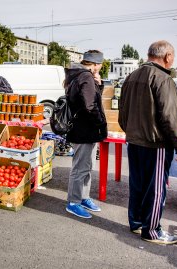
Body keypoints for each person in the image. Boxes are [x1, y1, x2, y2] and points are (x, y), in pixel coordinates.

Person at [119, 40, 177, 245]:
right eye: (173, 57)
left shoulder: (131, 77)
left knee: (138, 184)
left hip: (135, 141)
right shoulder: (163, 79)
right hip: (155, 143)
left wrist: (132, 132)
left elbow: (123, 114)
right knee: (156, 188)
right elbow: (170, 117)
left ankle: (138, 222)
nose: (173, 61)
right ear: (167, 57)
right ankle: (152, 231)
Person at [65, 50, 107, 219]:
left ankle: (83, 197)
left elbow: (89, 98)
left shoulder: (77, 75)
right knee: (80, 167)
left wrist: (99, 85)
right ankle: (73, 202)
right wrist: (101, 123)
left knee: (86, 166)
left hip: (81, 128)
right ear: (96, 65)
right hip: (84, 129)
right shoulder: (85, 77)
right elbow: (90, 106)